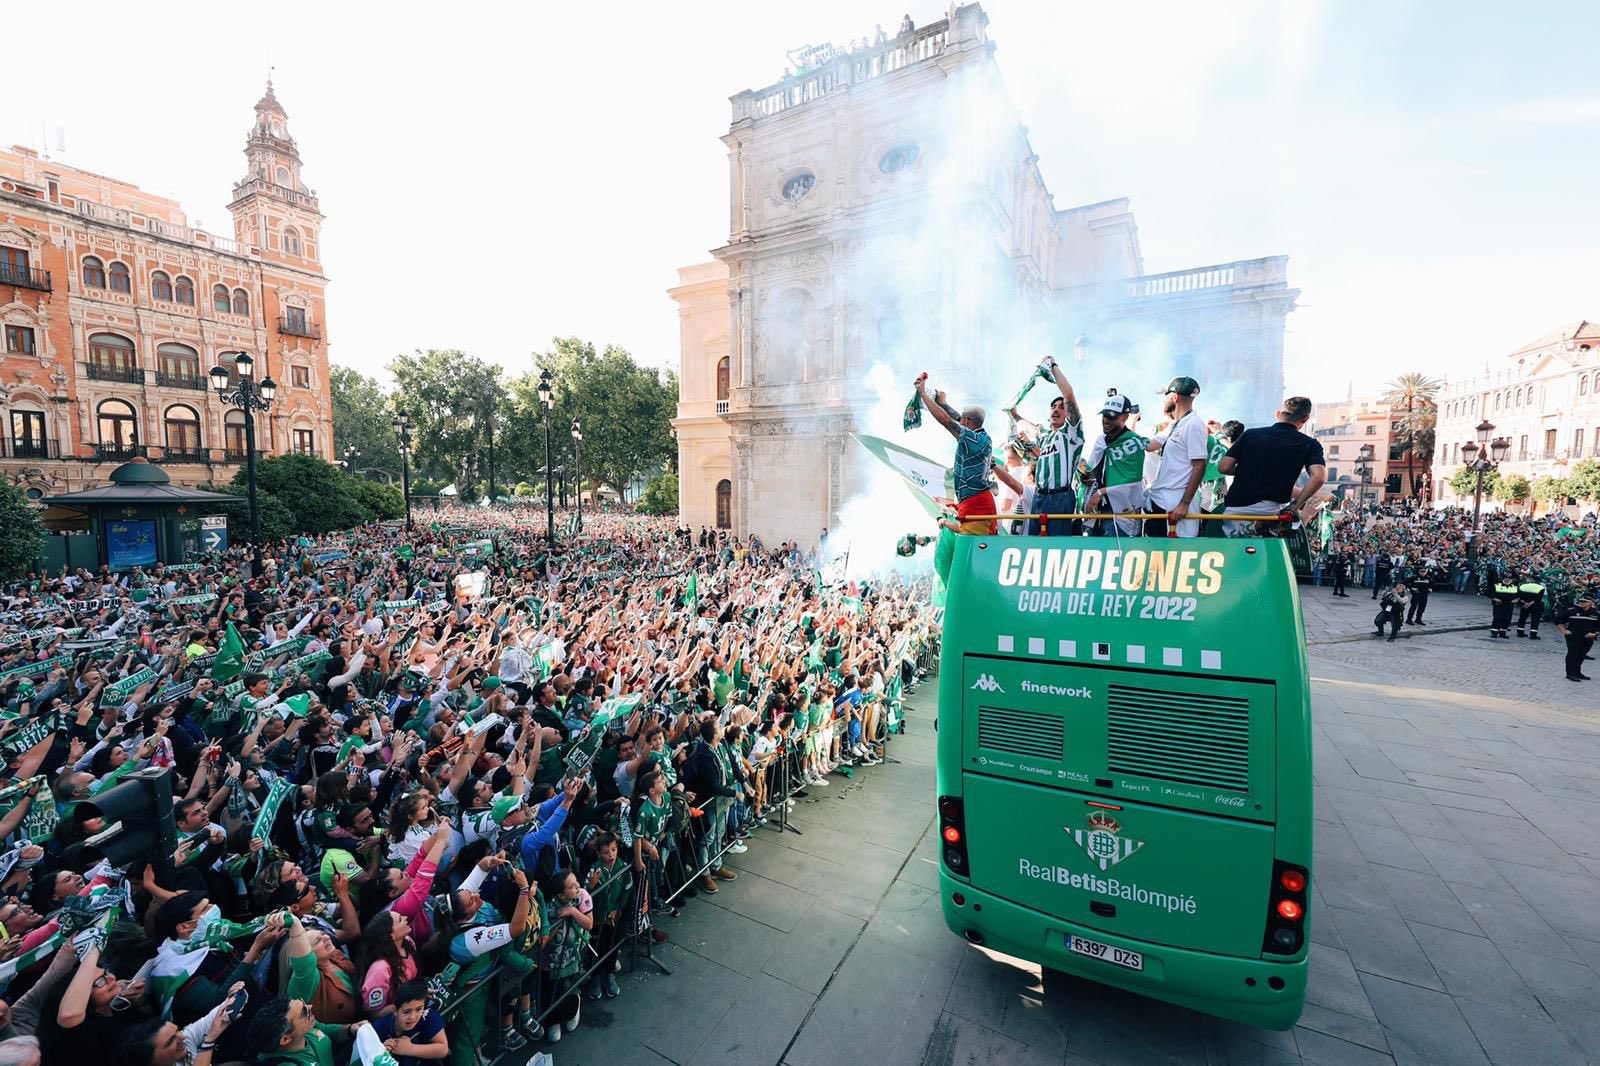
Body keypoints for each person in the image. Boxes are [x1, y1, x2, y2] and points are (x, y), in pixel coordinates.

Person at [1215, 396, 1327, 536]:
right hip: (1270, 514)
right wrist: (1294, 507)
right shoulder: (1309, 444)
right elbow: (1319, 477)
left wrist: (1249, 470)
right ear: (1305, 419)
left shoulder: (1250, 435)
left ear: (1278, 414)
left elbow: (1224, 467)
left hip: (1235, 511)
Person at [1006, 356, 1084, 536]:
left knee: (1056, 546)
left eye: (1061, 407)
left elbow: (1069, 395)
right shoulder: (1045, 437)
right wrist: (1014, 414)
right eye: (1053, 407)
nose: (1056, 409)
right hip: (1039, 497)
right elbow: (1027, 426)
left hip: (1061, 498)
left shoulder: (1071, 433)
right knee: (1035, 543)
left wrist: (1053, 366)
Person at [914, 374, 995, 534]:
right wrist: (943, 404)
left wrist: (923, 394)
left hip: (977, 503)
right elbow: (956, 418)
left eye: (963, 420)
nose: (961, 421)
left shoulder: (976, 440)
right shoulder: (979, 435)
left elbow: (947, 421)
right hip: (974, 500)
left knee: (972, 544)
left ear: (967, 421)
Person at [1145, 377, 1211, 538]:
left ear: (1175, 397)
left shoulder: (1193, 425)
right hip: (1161, 499)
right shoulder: (1177, 423)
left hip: (1177, 504)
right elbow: (1150, 444)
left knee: (1174, 554)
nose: (1163, 400)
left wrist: (1184, 504)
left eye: (1166, 395)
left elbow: (1199, 466)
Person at [1080, 394, 1147, 537]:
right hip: (1096, 511)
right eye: (1104, 415)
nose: (1106, 420)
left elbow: (1134, 483)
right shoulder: (1101, 440)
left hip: (1122, 512)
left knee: (1118, 556)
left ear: (1125, 417)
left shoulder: (1133, 442)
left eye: (1112, 416)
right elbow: (1091, 470)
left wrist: (1101, 492)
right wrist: (1087, 477)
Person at [1556, 593, 1599, 682]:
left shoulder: (1595, 613)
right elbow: (1558, 619)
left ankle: (1577, 672)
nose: (1582, 603)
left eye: (1584, 602)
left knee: (1581, 655)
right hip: (1574, 636)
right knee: (1572, 654)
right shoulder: (1572, 611)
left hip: (1588, 637)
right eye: (1581, 601)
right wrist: (1564, 630)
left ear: (1590, 602)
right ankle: (1570, 674)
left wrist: (1595, 634)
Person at [1490, 573, 1519, 638]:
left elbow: (1519, 595)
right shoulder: (1497, 585)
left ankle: (1503, 632)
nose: (1507, 580)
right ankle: (1494, 632)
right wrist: (1495, 599)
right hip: (1499, 604)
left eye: (1509, 579)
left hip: (1509, 605)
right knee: (1497, 618)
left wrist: (1517, 600)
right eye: (1506, 578)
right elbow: (1489, 593)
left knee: (1507, 618)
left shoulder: (1515, 587)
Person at [1406, 561, 1436, 625]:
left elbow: (1433, 584)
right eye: (1421, 571)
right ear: (1419, 571)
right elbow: (1406, 582)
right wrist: (1411, 588)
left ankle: (1418, 619)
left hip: (1424, 594)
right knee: (1413, 607)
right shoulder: (1414, 577)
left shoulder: (1428, 578)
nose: (1423, 573)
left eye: (1424, 571)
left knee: (1422, 607)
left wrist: (1430, 588)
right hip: (1416, 594)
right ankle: (1409, 619)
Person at [1516, 575, 1545, 639]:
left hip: (1524, 605)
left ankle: (1520, 632)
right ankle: (1533, 634)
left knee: (1522, 618)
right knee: (1535, 620)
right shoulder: (1541, 588)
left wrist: (1525, 603)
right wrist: (1530, 604)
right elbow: (1538, 598)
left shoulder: (1523, 586)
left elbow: (1519, 596)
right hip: (1535, 606)